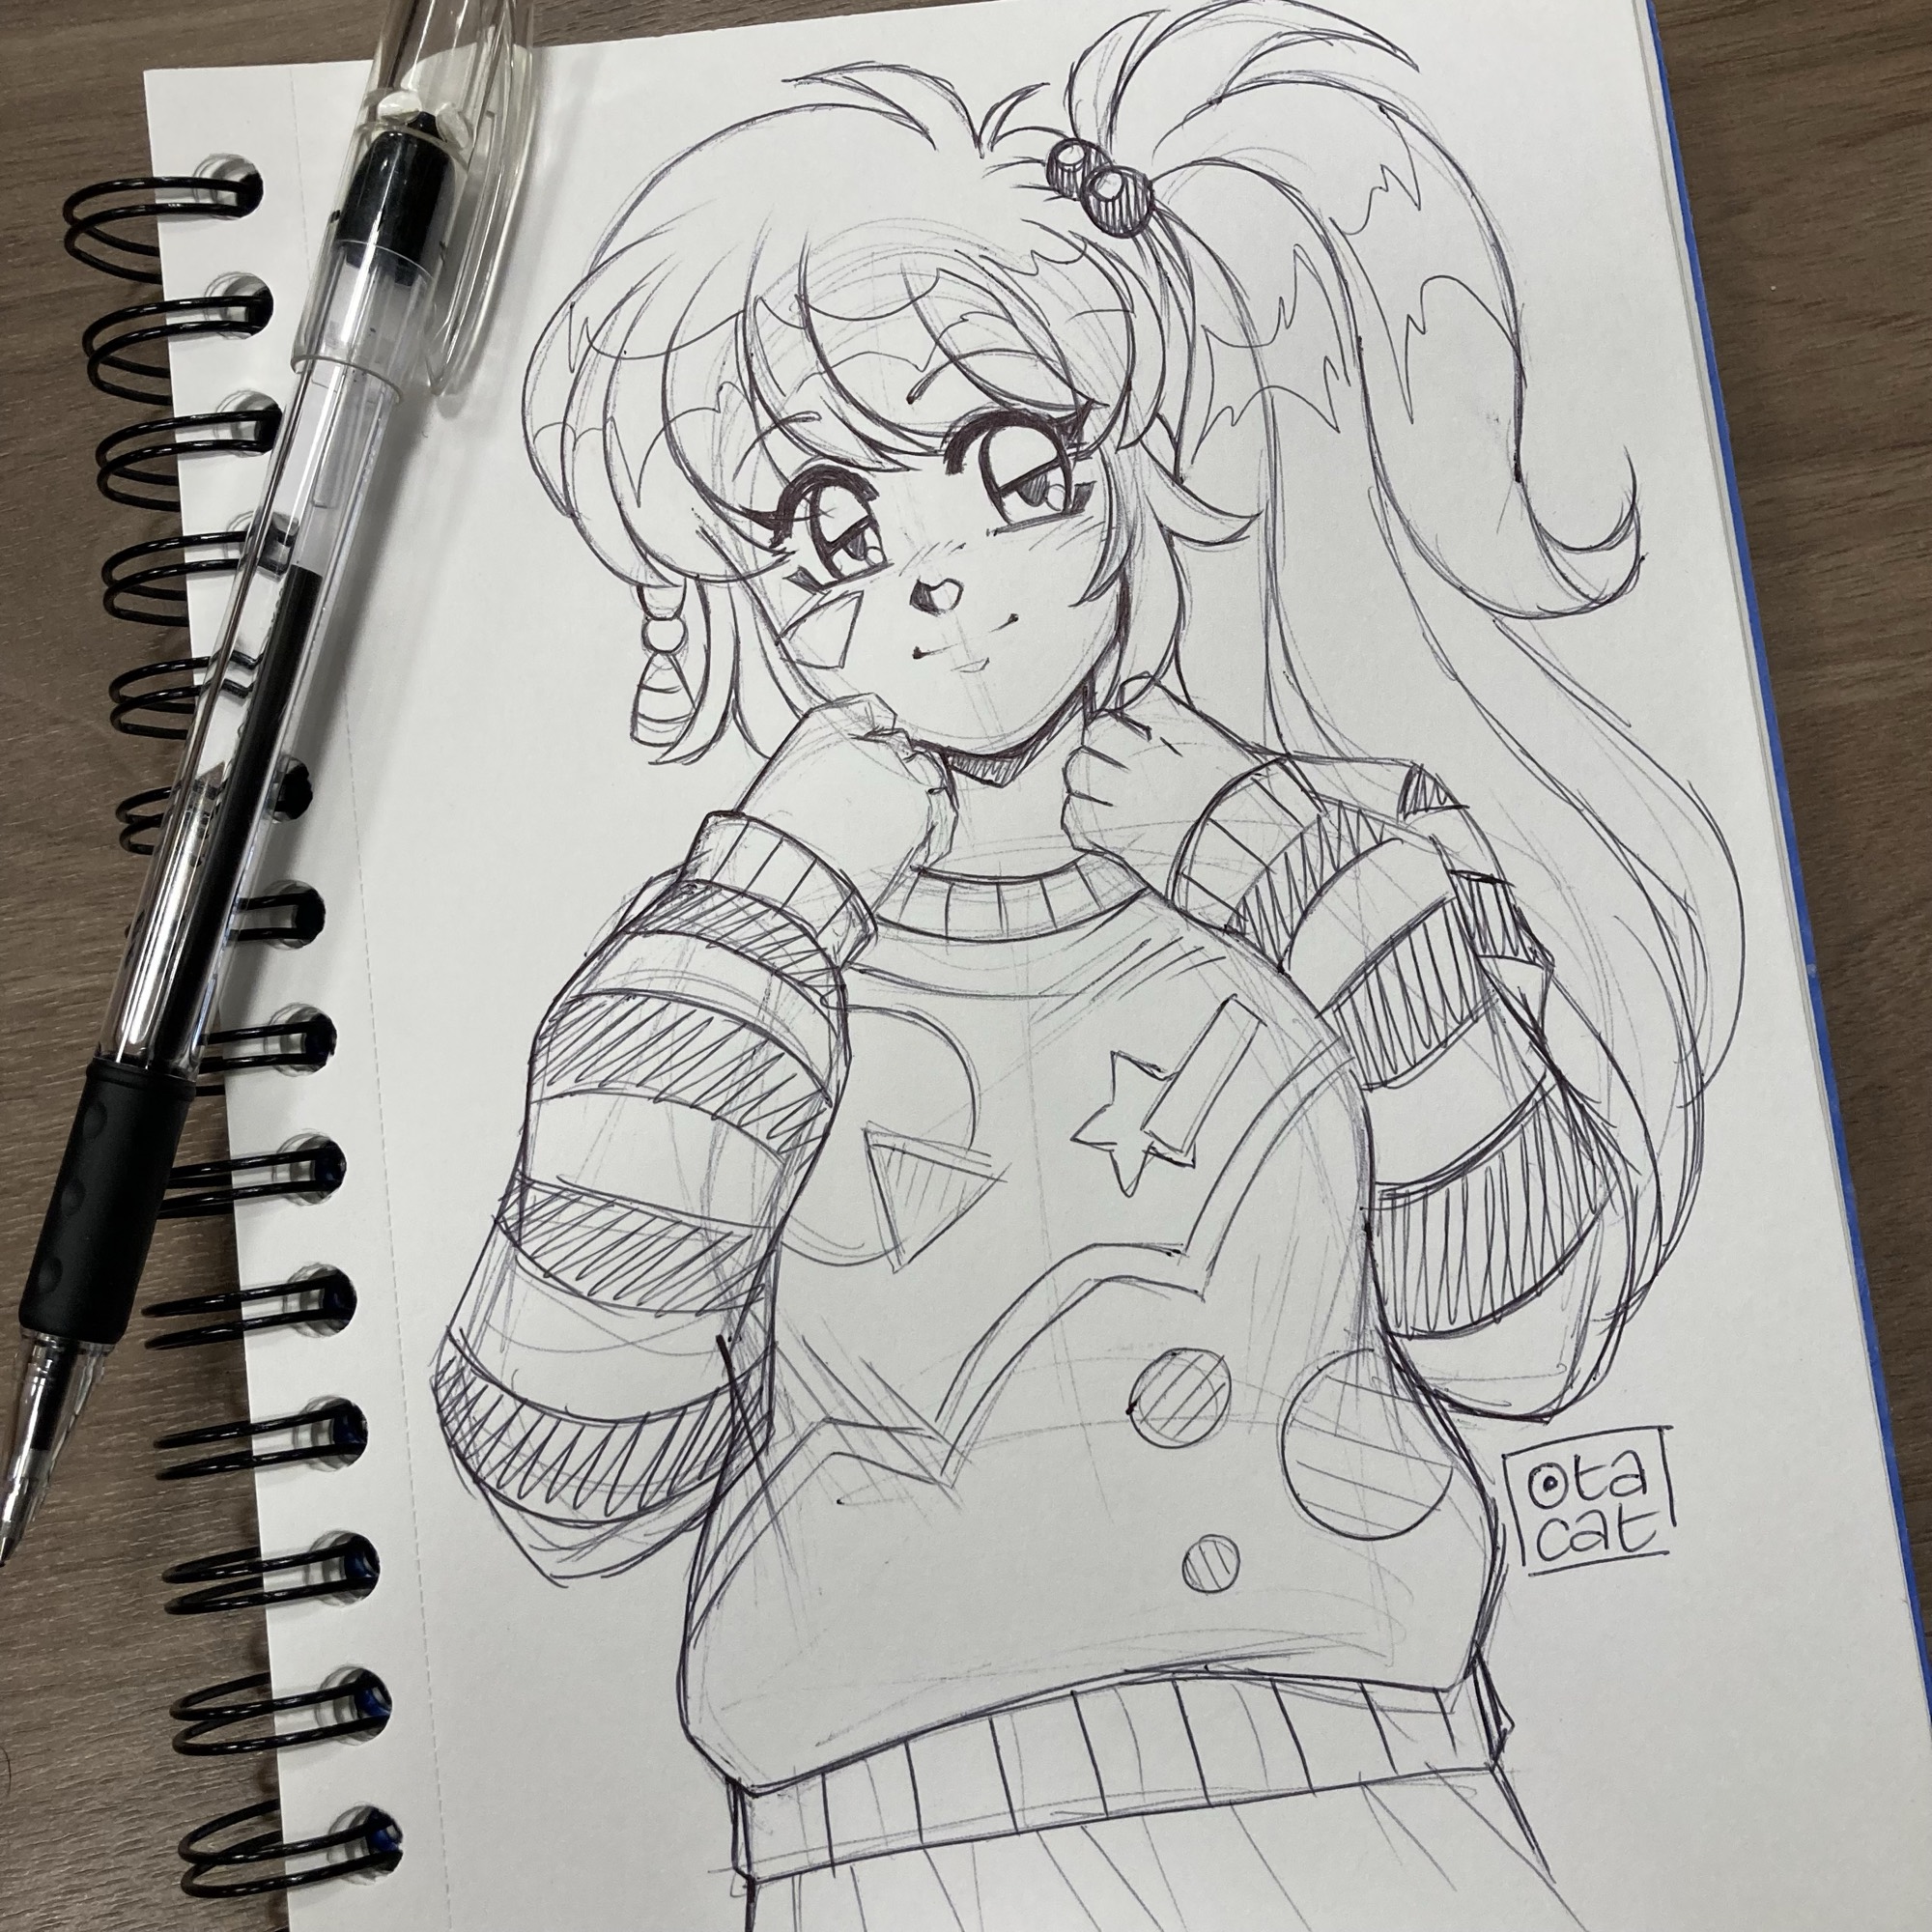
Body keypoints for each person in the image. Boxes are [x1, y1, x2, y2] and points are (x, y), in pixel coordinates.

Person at [434, 6, 1742, 1923]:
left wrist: (1308, 885)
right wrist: (762, 918)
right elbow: (572, 1479)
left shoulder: (1351, 857)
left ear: (1134, 455)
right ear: (733, 592)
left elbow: (1524, 1336)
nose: (935, 573)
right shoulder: (725, 971)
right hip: (882, 1841)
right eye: (827, 527)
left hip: (1368, 1789)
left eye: (1012, 463)